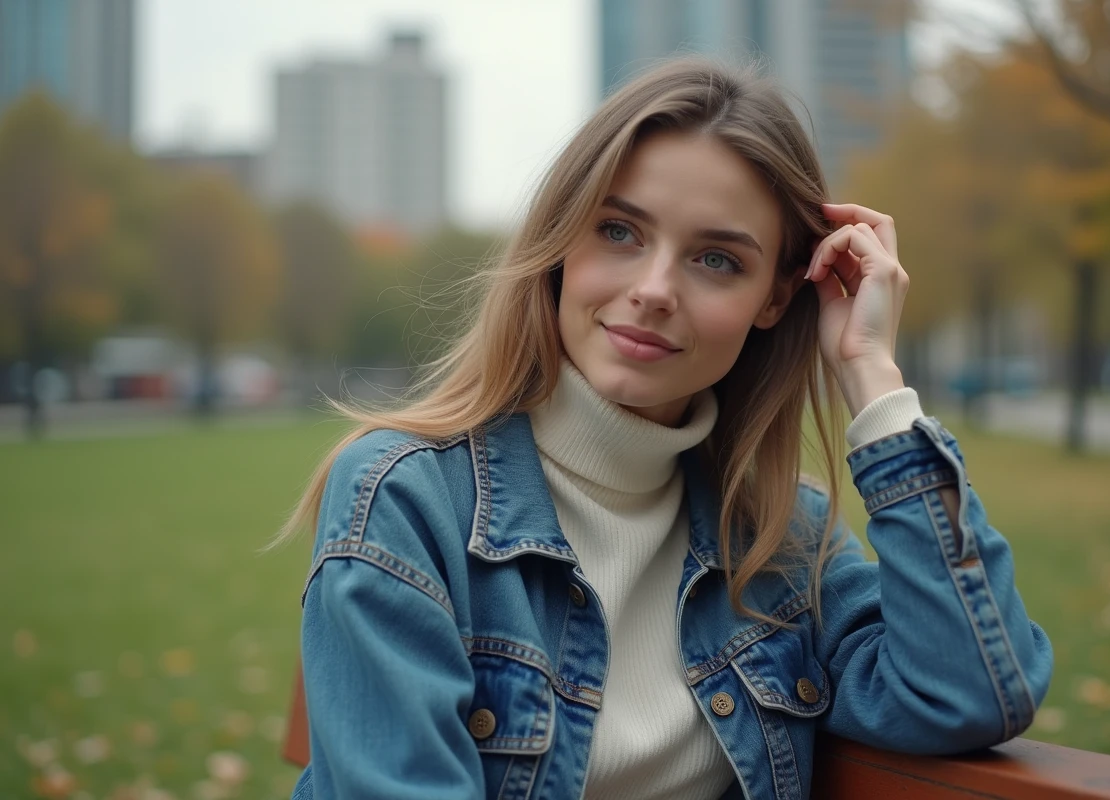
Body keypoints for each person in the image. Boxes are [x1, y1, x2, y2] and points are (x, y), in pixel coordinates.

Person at [283, 57, 1053, 800]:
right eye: (619, 232)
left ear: (777, 300)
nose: (653, 291)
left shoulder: (779, 542)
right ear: (562, 245)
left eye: (716, 259)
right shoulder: (408, 500)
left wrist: (875, 380)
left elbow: (970, 692)